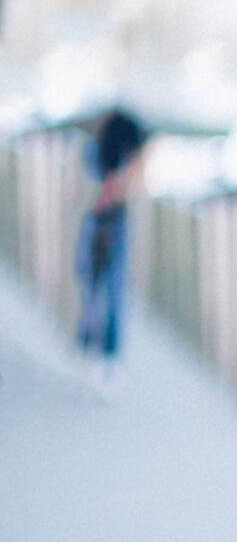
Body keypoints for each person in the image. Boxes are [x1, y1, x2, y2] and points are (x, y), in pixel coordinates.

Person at [75, 105, 147, 377]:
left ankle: (92, 342)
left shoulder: (96, 154)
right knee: (107, 282)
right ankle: (104, 349)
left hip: (100, 220)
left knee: (93, 279)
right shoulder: (118, 160)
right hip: (108, 219)